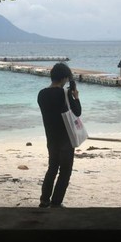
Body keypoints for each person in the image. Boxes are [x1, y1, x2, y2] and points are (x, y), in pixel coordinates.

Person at [37, 62, 82, 208]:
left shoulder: (41, 94)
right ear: (63, 78)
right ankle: (56, 202)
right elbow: (77, 112)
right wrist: (76, 97)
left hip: (51, 138)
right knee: (65, 172)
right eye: (67, 79)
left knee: (52, 168)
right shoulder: (64, 94)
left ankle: (44, 200)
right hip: (66, 139)